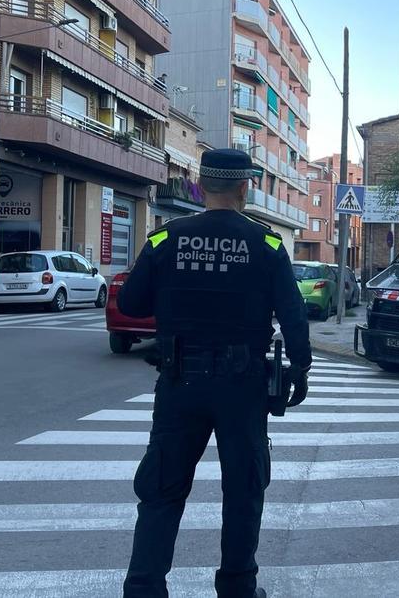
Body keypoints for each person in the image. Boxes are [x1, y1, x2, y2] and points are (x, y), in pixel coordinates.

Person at [119, 148, 312, 598]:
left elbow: (130, 304)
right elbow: (293, 314)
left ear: (202, 186)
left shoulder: (166, 239)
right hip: (242, 389)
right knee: (244, 490)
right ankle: (238, 587)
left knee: (162, 490)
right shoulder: (265, 245)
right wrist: (300, 367)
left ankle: (144, 589)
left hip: (179, 382)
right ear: (244, 188)